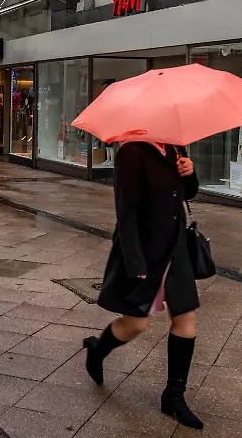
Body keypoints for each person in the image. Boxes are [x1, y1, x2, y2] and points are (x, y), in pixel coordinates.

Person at [83, 141, 203, 430]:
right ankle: (98, 350)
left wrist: (190, 174)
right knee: (137, 324)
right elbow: (125, 213)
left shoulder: (175, 148)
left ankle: (174, 396)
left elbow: (186, 194)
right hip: (145, 254)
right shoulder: (131, 153)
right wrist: (135, 262)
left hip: (176, 250)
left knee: (186, 318)